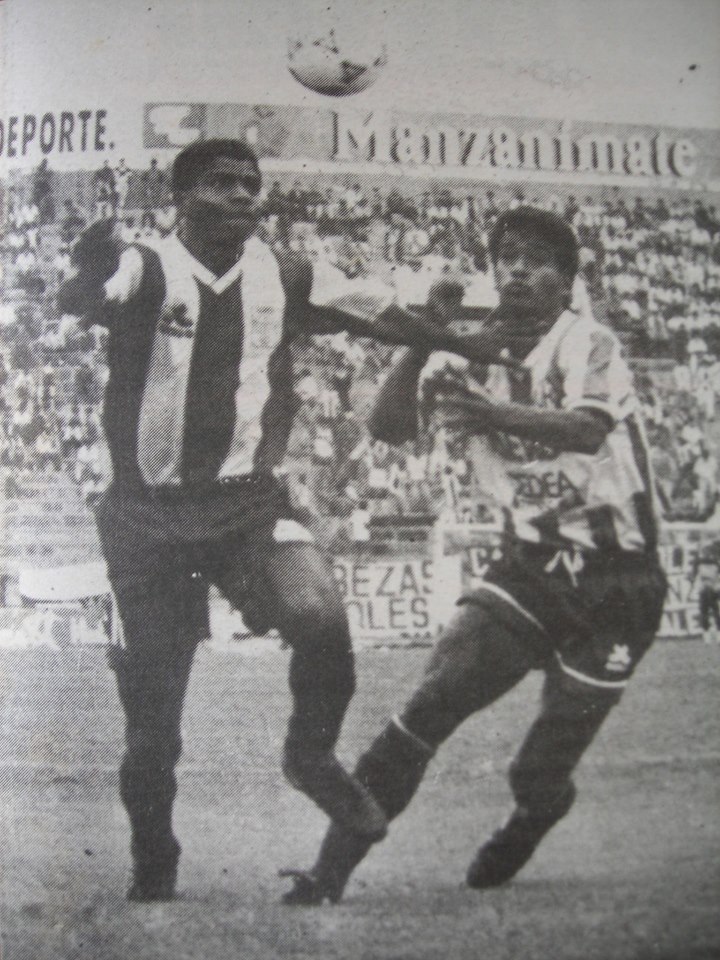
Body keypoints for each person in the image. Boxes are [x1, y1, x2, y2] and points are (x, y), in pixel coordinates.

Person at [58, 138, 507, 903]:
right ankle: (154, 858)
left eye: (252, 183)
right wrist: (88, 263)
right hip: (146, 519)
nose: (244, 194)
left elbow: (379, 314)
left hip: (246, 503)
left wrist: (460, 339)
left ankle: (309, 756)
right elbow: (86, 297)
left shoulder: (286, 273)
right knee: (153, 734)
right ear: (182, 197)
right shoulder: (147, 265)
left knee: (320, 613)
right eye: (222, 183)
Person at [282, 207, 668, 905]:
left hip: (619, 580)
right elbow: (388, 427)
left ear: (566, 281)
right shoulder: (466, 352)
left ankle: (538, 810)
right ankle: (328, 873)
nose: (517, 269)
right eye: (507, 257)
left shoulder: (590, 342)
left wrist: (492, 416)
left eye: (537, 260)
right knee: (428, 705)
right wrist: (422, 339)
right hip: (531, 565)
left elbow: (586, 430)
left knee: (537, 770)